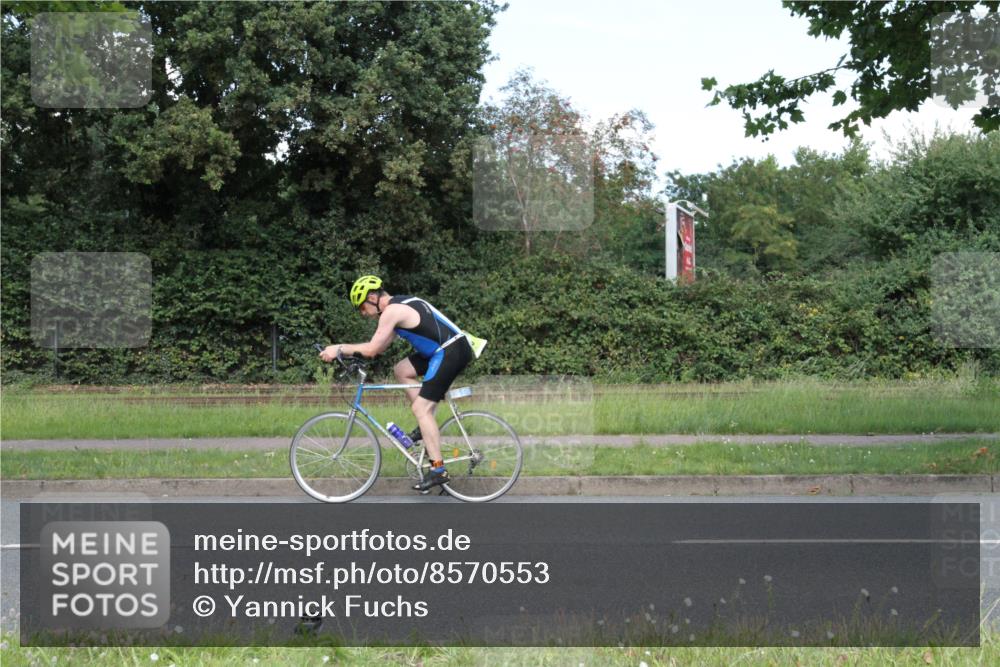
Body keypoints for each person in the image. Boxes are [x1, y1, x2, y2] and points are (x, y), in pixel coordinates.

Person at [319, 275, 477, 493]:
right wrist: (349, 354)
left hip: (449, 351)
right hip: (445, 349)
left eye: (362, 307)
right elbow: (379, 349)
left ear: (373, 297)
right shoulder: (399, 304)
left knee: (420, 408)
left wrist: (338, 348)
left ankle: (439, 471)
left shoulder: (392, 312)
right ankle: (425, 424)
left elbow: (372, 349)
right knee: (401, 370)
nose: (363, 314)